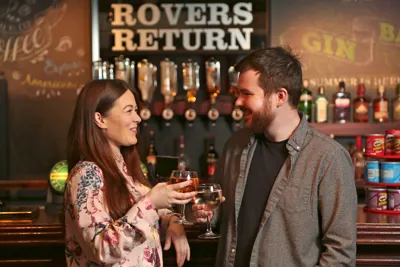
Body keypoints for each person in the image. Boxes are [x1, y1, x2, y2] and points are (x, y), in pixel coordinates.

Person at [193, 47, 357, 267]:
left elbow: (340, 256)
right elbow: (221, 213)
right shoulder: (235, 145)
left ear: (280, 96)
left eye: (247, 94)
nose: (238, 102)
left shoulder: (329, 158)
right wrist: (206, 215)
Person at [64, 79, 197, 267]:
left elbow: (146, 211)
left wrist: (174, 221)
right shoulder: (87, 174)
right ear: (100, 119)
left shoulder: (125, 168)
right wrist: (151, 203)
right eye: (129, 110)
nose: (138, 118)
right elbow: (101, 249)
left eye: (136, 110)